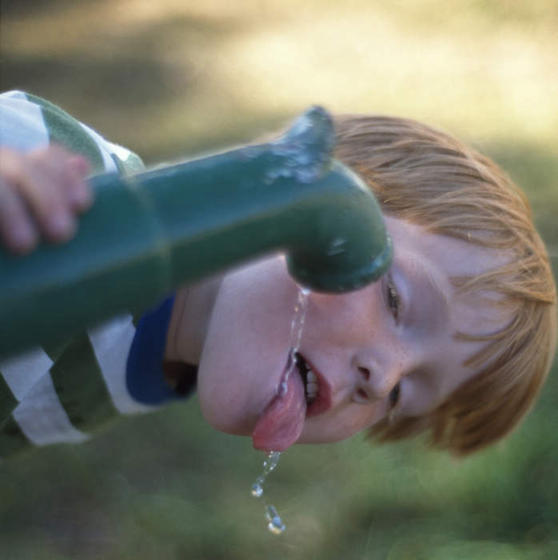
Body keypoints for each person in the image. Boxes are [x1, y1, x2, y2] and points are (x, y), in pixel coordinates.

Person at [0, 90, 556, 461]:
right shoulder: (65, 183)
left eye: (400, 398)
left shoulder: (142, 374)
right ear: (300, 192)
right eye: (394, 298)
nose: (381, 378)